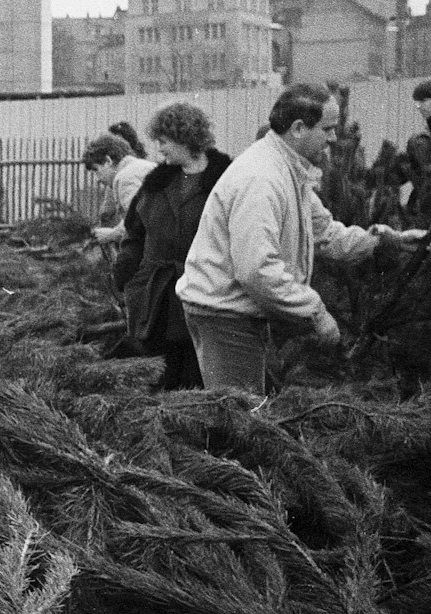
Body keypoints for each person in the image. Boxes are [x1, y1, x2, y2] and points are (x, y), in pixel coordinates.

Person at [176, 83, 422, 393]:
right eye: (328, 129)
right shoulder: (261, 179)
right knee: (240, 419)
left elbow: (325, 233)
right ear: (298, 129)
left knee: (256, 412)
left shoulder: (289, 170)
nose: (333, 139)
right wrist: (315, 311)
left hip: (238, 313)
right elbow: (256, 270)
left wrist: (385, 241)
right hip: (225, 317)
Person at [111, 103, 230, 390]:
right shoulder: (155, 184)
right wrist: (127, 272)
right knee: (160, 380)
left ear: (184, 138)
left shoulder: (226, 181)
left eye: (163, 141)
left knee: (199, 379)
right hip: (157, 301)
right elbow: (134, 234)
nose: (159, 149)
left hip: (206, 296)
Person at [83, 133, 155, 245]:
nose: (97, 179)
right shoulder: (143, 166)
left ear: (108, 161)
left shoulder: (125, 177)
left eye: (96, 170)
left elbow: (139, 218)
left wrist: (112, 234)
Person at [402, 79, 431, 229]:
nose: (419, 106)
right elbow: (404, 172)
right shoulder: (417, 141)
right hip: (421, 211)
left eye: (423, 101)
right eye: (417, 102)